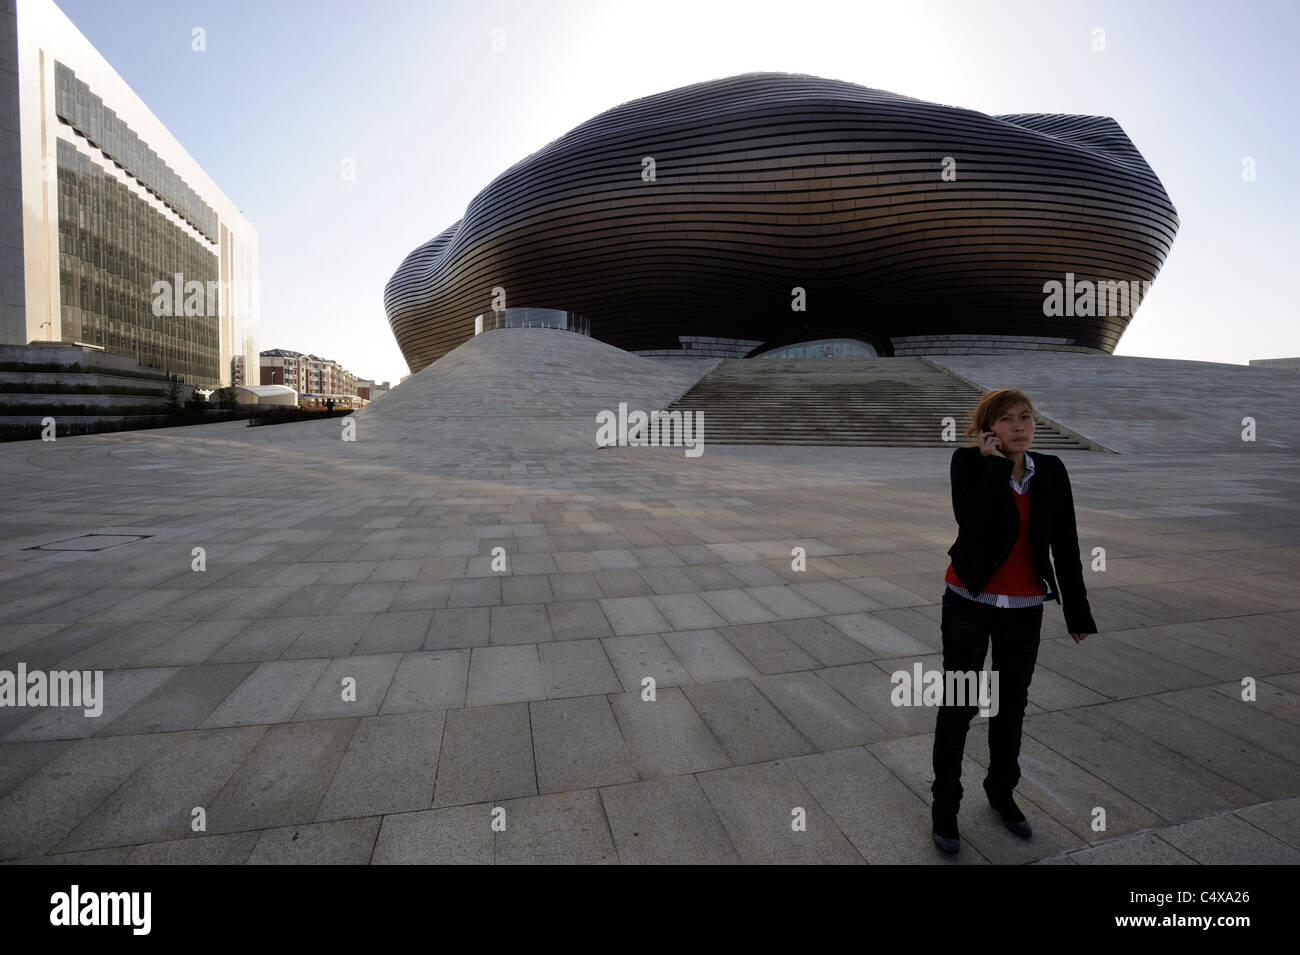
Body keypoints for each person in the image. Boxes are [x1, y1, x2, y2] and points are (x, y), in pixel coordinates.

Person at [931, 387, 1097, 854]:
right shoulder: (968, 464)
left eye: (1026, 417)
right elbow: (972, 522)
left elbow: (1065, 540)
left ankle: (1001, 794)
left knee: (1011, 707)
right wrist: (995, 468)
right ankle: (945, 807)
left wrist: (1077, 610)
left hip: (1024, 608)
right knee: (959, 706)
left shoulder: (1052, 471)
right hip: (969, 601)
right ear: (988, 428)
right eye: (1007, 420)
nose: (1020, 427)